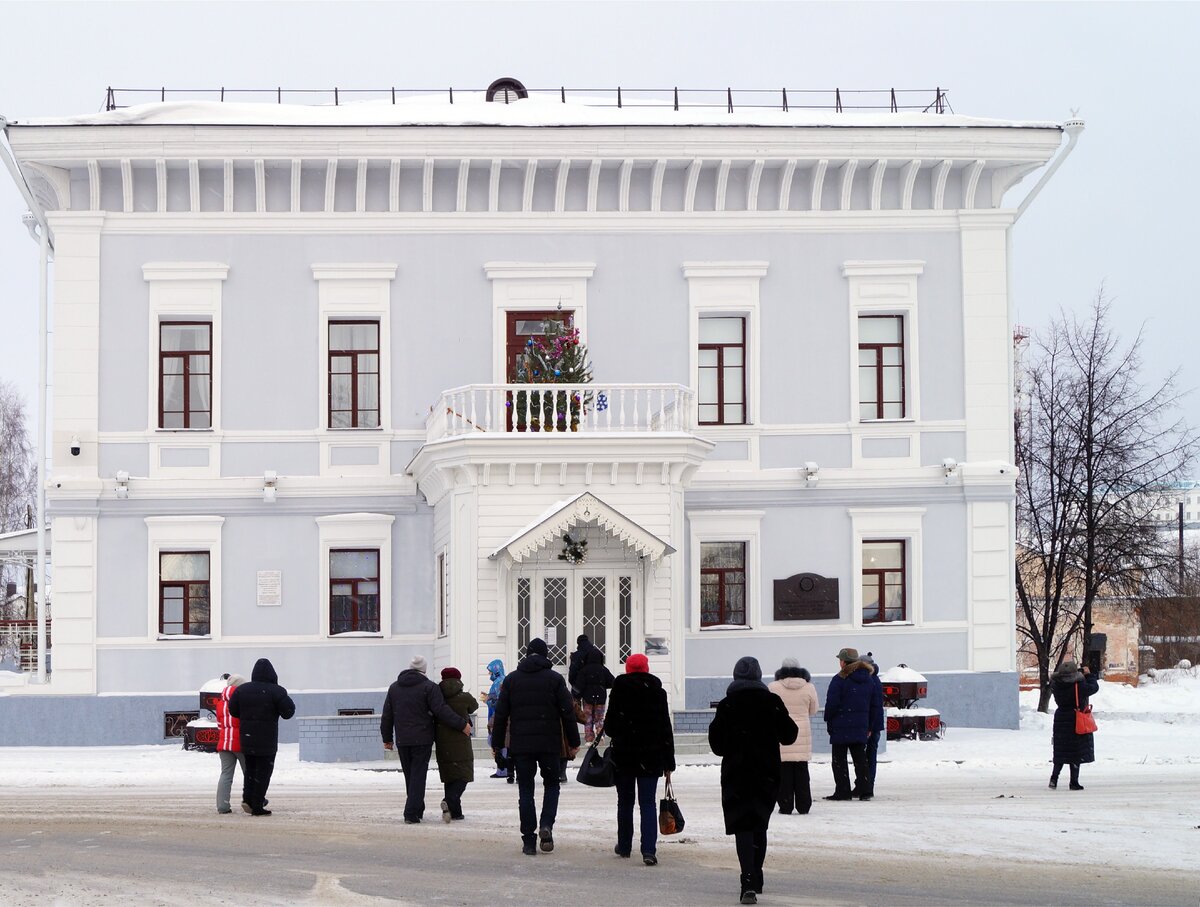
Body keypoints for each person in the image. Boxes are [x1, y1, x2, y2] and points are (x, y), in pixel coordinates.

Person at [708, 656, 798, 905]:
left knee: (743, 826)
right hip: (766, 772)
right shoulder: (771, 702)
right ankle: (756, 877)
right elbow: (790, 735)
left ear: (735, 676)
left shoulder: (727, 704)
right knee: (759, 823)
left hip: (737, 772)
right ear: (759, 676)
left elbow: (717, 745)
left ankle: (747, 879)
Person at [491, 637, 581, 856]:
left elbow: (501, 715)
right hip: (549, 744)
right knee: (552, 785)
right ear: (545, 656)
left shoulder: (512, 680)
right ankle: (546, 825)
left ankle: (529, 840)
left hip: (522, 746)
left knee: (526, 790)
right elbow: (567, 711)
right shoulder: (554, 679)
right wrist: (574, 741)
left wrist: (497, 745)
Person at [603, 653, 675, 866]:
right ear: (646, 668)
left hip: (624, 756)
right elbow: (665, 729)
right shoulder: (657, 692)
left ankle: (624, 845)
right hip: (650, 757)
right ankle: (649, 850)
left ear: (627, 669)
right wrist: (668, 762)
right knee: (647, 803)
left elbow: (610, 727)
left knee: (625, 802)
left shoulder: (618, 692)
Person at [381, 655, 471, 824]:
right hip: (422, 739)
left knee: (410, 776)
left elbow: (387, 715)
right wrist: (462, 725)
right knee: (418, 776)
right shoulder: (428, 687)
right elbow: (441, 710)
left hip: (402, 739)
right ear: (424, 670)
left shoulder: (394, 688)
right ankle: (411, 812)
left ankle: (417, 808)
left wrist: (387, 738)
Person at [228, 658, 295, 816]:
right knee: (263, 773)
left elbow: (233, 711)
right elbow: (288, 712)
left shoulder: (242, 690)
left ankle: (248, 798)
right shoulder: (276, 691)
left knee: (250, 770)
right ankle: (257, 805)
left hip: (247, 737)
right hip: (267, 740)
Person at [823, 647, 880, 802]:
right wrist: (870, 726)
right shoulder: (869, 679)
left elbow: (832, 703)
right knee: (860, 759)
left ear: (843, 662)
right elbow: (875, 705)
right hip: (861, 725)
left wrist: (828, 719)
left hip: (840, 725)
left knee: (839, 760)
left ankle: (843, 791)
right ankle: (866, 790)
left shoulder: (839, 679)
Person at [767, 657, 818, 815]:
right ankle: (804, 805)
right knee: (802, 770)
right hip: (802, 731)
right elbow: (814, 710)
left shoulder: (773, 687)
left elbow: (769, 710)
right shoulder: (809, 687)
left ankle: (785, 804)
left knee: (784, 771)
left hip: (782, 732)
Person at [435, 667, 479, 821]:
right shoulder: (464, 697)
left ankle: (455, 812)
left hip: (443, 743)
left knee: (450, 776)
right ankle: (449, 801)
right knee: (463, 775)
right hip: (461, 741)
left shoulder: (437, 698)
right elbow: (474, 706)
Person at [1049, 659, 1099, 790]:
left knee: (1060, 751)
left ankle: (1054, 779)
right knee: (1075, 752)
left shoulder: (1056, 684)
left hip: (1060, 718)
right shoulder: (1079, 685)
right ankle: (1074, 782)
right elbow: (1094, 688)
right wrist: (1088, 675)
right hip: (1075, 718)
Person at [214, 672, 246, 815]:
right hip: (239, 743)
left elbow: (220, 725)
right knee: (249, 774)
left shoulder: (220, 702)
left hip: (224, 743)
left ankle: (222, 806)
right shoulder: (242, 700)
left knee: (226, 774)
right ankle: (252, 800)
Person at [481, 658, 512, 781]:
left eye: (490, 671)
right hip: (497, 717)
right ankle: (504, 768)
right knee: (499, 742)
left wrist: (487, 700)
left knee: (498, 742)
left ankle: (503, 769)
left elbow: (500, 702)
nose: (489, 674)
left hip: (497, 717)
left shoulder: (499, 682)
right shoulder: (501, 681)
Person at [577, 646, 615, 743]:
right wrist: (603, 686)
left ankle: (589, 739)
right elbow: (612, 681)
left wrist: (576, 695)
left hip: (587, 698)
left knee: (588, 718)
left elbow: (579, 685)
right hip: (601, 698)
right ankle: (600, 736)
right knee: (599, 718)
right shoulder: (603, 669)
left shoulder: (584, 670)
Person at [861, 653, 886, 791]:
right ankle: (867, 784)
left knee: (868, 756)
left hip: (872, 725)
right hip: (874, 724)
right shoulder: (874, 678)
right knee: (869, 755)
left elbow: (874, 705)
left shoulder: (872, 680)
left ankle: (867, 785)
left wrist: (869, 726)